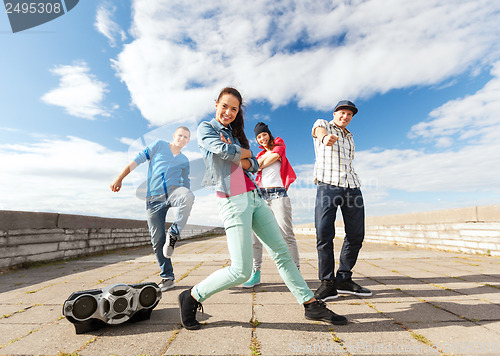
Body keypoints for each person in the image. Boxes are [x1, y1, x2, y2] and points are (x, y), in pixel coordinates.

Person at [177, 87, 347, 330]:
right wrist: (243, 154)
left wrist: (241, 155)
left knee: (281, 252)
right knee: (241, 270)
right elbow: (225, 152)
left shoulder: (234, 135)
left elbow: (253, 164)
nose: (228, 112)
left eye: (234, 109)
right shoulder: (206, 128)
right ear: (216, 104)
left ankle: (311, 304)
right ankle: (192, 296)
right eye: (224, 106)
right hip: (232, 197)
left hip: (255, 196)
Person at [110, 126, 195, 292]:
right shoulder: (159, 146)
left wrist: (187, 204)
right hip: (153, 200)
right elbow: (138, 160)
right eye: (180, 135)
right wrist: (119, 178)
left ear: (188, 141)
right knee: (157, 241)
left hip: (173, 193)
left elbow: (186, 183)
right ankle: (167, 277)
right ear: (174, 135)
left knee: (188, 195)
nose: (182, 139)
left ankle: (174, 233)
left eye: (186, 137)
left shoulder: (184, 160)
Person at [311, 100, 372, 301]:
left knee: (356, 235)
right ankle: (327, 283)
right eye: (342, 113)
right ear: (335, 113)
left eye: (349, 115)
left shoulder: (351, 137)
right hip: (328, 185)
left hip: (352, 187)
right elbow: (318, 131)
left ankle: (344, 278)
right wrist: (325, 138)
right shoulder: (324, 125)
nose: (345, 117)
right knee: (324, 233)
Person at [242, 122, 300, 288]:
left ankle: (295, 273)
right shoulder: (259, 154)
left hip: (278, 195)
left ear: (269, 134)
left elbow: (269, 159)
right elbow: (254, 168)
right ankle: (255, 273)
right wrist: (258, 162)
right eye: (259, 137)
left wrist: (258, 163)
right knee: (254, 238)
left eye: (264, 135)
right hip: (260, 197)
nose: (262, 139)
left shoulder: (279, 143)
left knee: (286, 234)